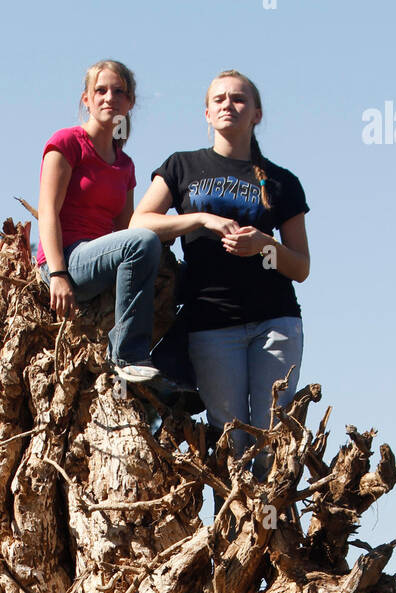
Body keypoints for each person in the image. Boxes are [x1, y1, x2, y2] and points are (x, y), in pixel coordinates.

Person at [131, 69, 310, 469]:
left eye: (239, 99)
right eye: (219, 99)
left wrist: (264, 245)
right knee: (230, 441)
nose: (228, 104)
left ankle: (274, 530)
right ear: (207, 114)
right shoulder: (182, 166)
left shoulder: (282, 182)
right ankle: (232, 530)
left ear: (257, 114)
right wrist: (199, 220)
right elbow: (139, 222)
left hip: (275, 322)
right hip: (211, 324)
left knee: (273, 441)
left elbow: (300, 266)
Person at [36, 59, 162, 383]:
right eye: (101, 90)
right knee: (144, 240)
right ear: (86, 99)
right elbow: (47, 211)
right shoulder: (67, 143)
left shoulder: (125, 166)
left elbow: (124, 230)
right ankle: (126, 355)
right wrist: (58, 273)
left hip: (100, 261)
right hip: (66, 258)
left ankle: (169, 374)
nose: (109, 98)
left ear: (130, 102)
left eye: (118, 92)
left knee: (153, 248)